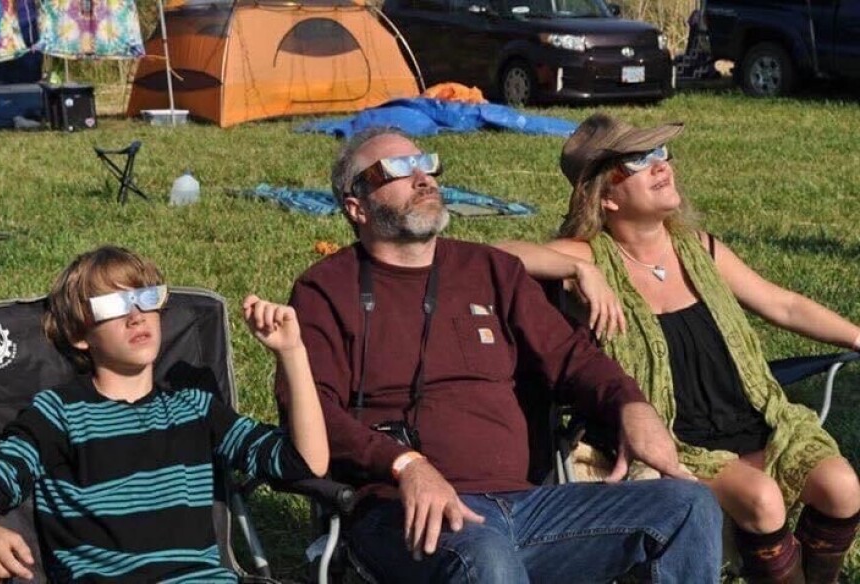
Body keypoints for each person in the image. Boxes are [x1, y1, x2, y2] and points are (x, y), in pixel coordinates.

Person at [276, 127, 723, 583]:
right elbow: (312, 413)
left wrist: (632, 405)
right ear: (357, 207)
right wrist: (404, 465)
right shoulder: (325, 290)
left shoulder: (490, 270)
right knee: (483, 551)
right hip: (401, 513)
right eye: (396, 169)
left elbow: (573, 357)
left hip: (530, 508)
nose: (423, 177)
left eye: (426, 163)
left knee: (686, 506)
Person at [498, 112, 860, 583]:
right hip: (674, 440)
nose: (661, 164)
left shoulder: (700, 250)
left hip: (754, 419)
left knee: (842, 487)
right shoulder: (589, 255)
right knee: (763, 499)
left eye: (662, 153)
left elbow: (783, 304)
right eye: (640, 159)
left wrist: (856, 335)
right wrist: (580, 272)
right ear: (605, 196)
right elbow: (498, 255)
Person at [0, 245, 328, 582]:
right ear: (78, 333)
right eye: (113, 305)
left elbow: (306, 462)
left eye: (147, 298)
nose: (136, 316)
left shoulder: (195, 408)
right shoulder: (60, 415)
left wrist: (292, 352)